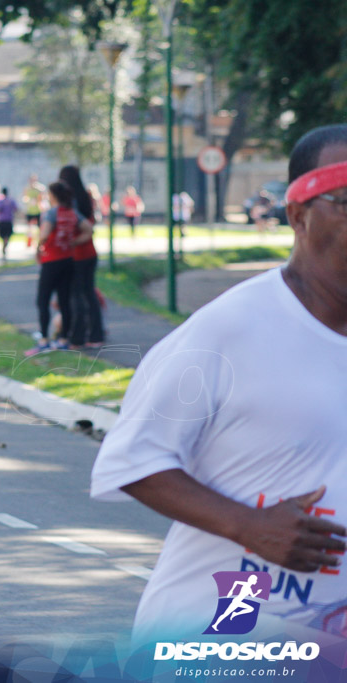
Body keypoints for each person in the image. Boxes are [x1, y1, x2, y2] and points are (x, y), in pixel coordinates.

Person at [90, 123, 347, 642]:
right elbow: (133, 458)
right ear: (298, 214)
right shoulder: (230, 328)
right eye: (346, 200)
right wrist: (248, 526)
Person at [25, 181, 91, 355]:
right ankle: (63, 339)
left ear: (53, 195)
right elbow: (89, 229)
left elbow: (45, 234)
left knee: (43, 300)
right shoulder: (72, 212)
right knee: (64, 300)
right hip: (68, 259)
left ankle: (44, 340)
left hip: (51, 260)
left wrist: (39, 247)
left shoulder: (52, 213)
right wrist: (74, 242)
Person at [60, 166, 105, 349]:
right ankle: (96, 334)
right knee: (89, 294)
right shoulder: (86, 195)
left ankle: (77, 337)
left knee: (76, 296)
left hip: (76, 253)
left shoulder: (70, 200)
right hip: (90, 253)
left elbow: (79, 225)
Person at [0, 186, 19, 259]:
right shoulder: (11, 200)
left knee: (3, 235)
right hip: (8, 220)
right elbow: (16, 209)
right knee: (7, 235)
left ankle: (4, 245)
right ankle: (5, 245)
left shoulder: (0, 201)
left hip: (2, 220)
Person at [22, 174, 46, 247]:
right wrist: (28, 201)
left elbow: (44, 198)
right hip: (30, 211)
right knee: (29, 228)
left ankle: (39, 242)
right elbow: (25, 198)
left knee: (39, 228)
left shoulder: (40, 188)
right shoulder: (27, 188)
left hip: (38, 211)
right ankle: (29, 242)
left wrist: (38, 201)